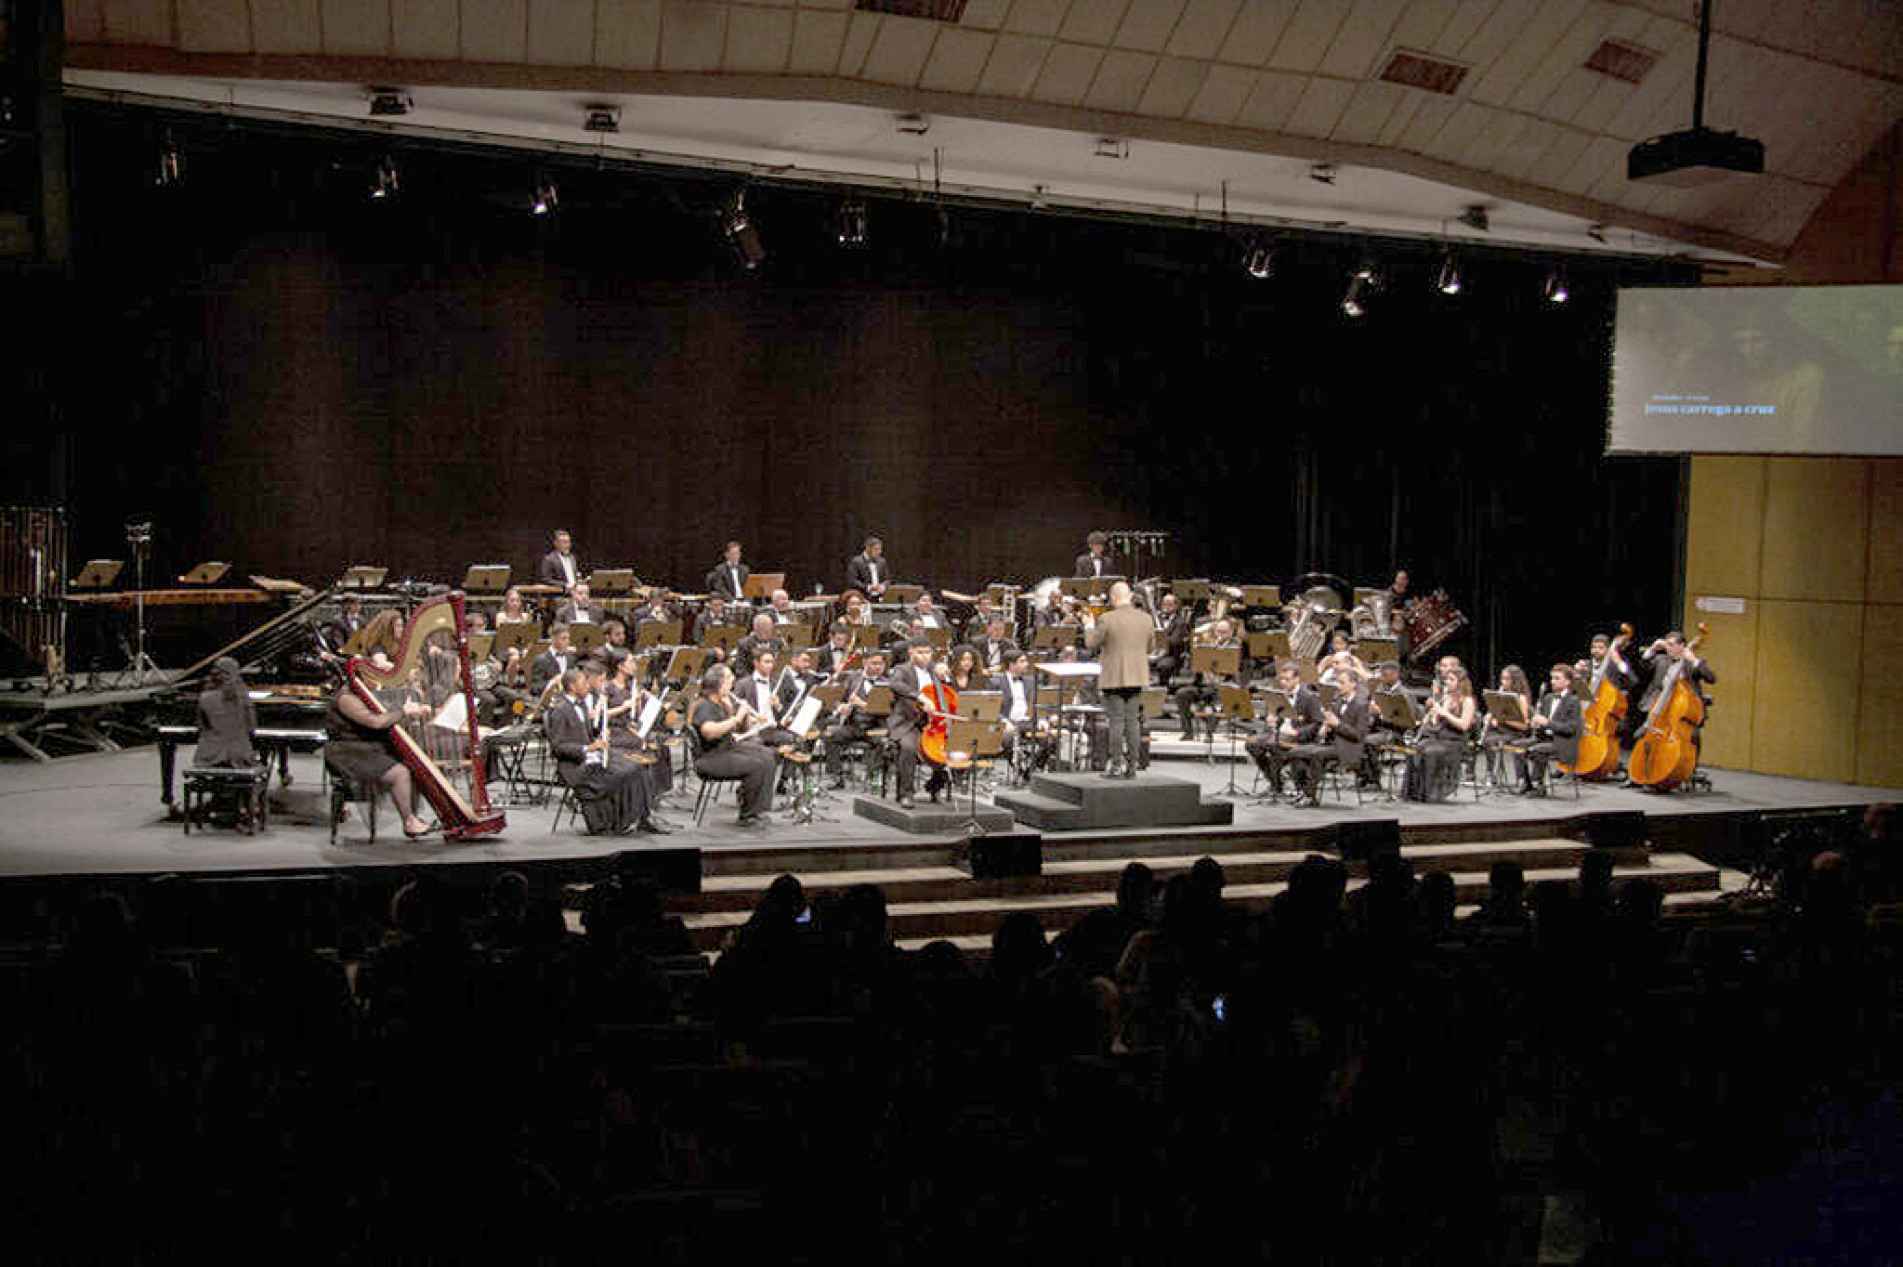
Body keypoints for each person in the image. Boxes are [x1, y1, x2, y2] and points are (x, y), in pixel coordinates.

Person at [325, 648, 437, 840]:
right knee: (400, 772)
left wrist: (412, 711)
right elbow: (375, 722)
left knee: (413, 764)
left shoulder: (364, 693)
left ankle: (413, 816)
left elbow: (385, 717)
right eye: (373, 676)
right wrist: (403, 712)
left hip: (366, 748)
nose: (377, 681)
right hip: (348, 753)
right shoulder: (346, 698)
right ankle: (409, 822)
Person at [545, 667, 660, 835]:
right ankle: (617, 820)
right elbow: (558, 747)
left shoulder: (581, 704)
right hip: (574, 765)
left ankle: (637, 817)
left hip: (591, 755)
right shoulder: (560, 710)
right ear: (572, 686)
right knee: (626, 771)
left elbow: (586, 733)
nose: (588, 686)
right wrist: (588, 748)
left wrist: (600, 735)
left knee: (636, 763)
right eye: (583, 683)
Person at [693, 664, 777, 827]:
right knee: (756, 765)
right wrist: (736, 718)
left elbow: (738, 729)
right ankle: (747, 815)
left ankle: (758, 808)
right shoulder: (704, 705)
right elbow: (709, 732)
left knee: (767, 755)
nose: (732, 681)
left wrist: (746, 719)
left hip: (727, 747)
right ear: (718, 683)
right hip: (710, 758)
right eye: (729, 678)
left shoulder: (721, 703)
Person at [1083, 580, 1151, 779]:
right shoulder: (1146, 618)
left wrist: (1088, 625)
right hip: (1137, 676)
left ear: (1113, 598)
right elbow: (1151, 648)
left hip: (1114, 677)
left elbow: (1090, 643)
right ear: (1129, 596)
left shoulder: (1107, 618)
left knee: (1116, 721)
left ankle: (1115, 767)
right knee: (1133, 721)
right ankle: (1132, 767)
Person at [887, 638, 950, 808]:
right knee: (908, 748)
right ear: (911, 652)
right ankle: (905, 794)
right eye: (920, 652)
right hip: (908, 723)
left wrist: (945, 675)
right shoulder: (902, 670)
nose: (924, 656)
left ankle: (935, 787)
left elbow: (947, 692)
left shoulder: (934, 670)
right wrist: (920, 696)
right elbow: (895, 684)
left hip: (933, 723)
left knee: (948, 745)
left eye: (928, 652)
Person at [1246, 659, 1323, 799]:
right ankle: (1275, 781)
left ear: (1297, 679)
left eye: (1287, 679)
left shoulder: (1309, 697)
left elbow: (1317, 722)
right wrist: (1271, 719)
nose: (1283, 682)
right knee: (1252, 744)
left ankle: (1277, 786)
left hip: (1297, 736)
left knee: (1273, 746)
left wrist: (1298, 732)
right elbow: (1275, 716)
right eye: (1282, 679)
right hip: (1279, 733)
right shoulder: (1279, 694)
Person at [1405, 666, 1476, 802]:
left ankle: (1432, 792)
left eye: (1451, 679)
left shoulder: (1467, 701)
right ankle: (1415, 792)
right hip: (1439, 737)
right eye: (1447, 679)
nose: (1447, 682)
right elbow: (1435, 723)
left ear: (1460, 683)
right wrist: (1432, 715)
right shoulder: (1446, 698)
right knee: (1416, 748)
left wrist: (1444, 713)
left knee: (1430, 752)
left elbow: (1464, 725)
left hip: (1455, 741)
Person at [823, 647, 888, 787]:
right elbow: (837, 699)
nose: (878, 667)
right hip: (854, 725)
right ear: (864, 663)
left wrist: (861, 704)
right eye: (874, 663)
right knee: (830, 735)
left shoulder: (887, 683)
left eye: (880, 664)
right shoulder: (853, 678)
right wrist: (841, 708)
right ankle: (836, 776)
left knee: (883, 742)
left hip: (876, 727)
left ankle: (873, 779)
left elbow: (884, 710)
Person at [1173, 618, 1242, 741]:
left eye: (1224, 632)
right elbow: (1196, 666)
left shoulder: (1235, 646)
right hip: (1203, 685)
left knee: (1219, 697)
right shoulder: (1207, 643)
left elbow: (1235, 668)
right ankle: (1188, 731)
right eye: (1218, 631)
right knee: (1181, 694)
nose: (1220, 635)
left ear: (1231, 632)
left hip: (1223, 685)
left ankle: (1209, 733)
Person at [1521, 663, 1582, 793]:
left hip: (1563, 743)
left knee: (1537, 750)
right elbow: (1542, 725)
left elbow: (1570, 729)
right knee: (1518, 746)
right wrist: (1535, 724)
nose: (1552, 681)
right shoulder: (1548, 698)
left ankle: (1537, 784)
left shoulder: (1573, 701)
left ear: (1567, 682)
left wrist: (1547, 723)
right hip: (1545, 739)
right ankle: (1526, 782)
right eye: (1552, 678)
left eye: (1557, 678)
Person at [194, 656, 258, 768]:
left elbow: (201, 727)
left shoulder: (204, 697)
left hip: (209, 756)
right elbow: (251, 727)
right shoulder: (244, 698)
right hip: (241, 756)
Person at [529, 624, 576, 696]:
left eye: (568, 638)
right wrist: (553, 683)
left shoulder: (571, 659)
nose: (567, 641)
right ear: (553, 639)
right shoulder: (541, 660)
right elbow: (535, 688)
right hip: (551, 698)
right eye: (563, 638)